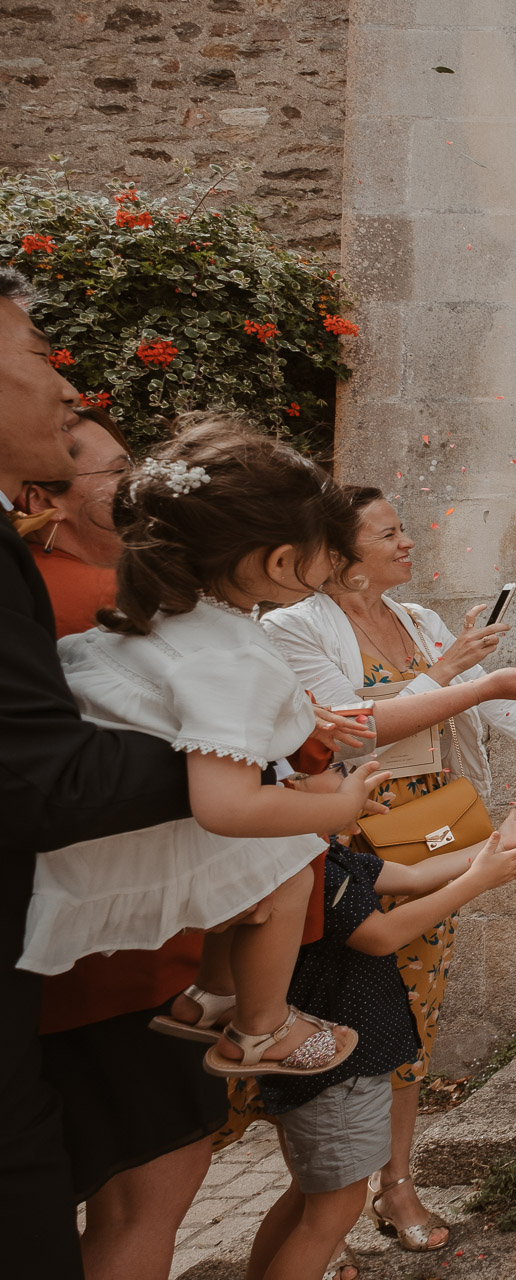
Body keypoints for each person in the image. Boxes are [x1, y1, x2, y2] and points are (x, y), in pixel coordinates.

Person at [257, 484, 516, 1250]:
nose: (409, 541)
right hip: (350, 825)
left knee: (411, 1013)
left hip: (435, 828)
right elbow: (344, 736)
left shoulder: (416, 620)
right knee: (334, 1010)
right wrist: (448, 670)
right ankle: (320, 1209)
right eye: (390, 533)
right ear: (344, 558)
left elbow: (491, 703)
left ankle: (397, 1185)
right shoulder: (293, 628)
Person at [22, 419, 386, 1083]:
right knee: (293, 858)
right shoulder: (234, 654)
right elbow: (223, 805)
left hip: (87, 823)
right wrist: (336, 812)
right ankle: (263, 1028)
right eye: (327, 551)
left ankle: (209, 998)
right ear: (281, 563)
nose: (334, 564)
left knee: (269, 850)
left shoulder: (154, 615)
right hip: (131, 841)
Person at [0, 266, 192, 1279]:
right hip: (104, 943)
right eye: (38, 353)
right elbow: (45, 770)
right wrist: (240, 764)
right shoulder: (79, 587)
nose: (68, 385)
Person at [17, 407, 225, 1280]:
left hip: (127, 934)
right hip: (120, 950)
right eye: (112, 471)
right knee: (151, 1182)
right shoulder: (73, 597)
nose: (134, 484)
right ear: (50, 496)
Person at [244, 827, 516, 1280]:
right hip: (336, 1069)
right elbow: (381, 935)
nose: (368, 789)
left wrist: (496, 843)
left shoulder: (323, 852)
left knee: (306, 1200)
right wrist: (478, 881)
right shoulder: (312, 865)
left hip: (338, 1061)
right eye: (337, 770)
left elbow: (413, 875)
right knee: (331, 1213)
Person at [18, 406, 126, 635]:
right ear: (42, 501)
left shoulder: (18, 572)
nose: (139, 481)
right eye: (120, 471)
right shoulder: (113, 593)